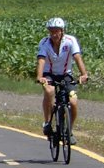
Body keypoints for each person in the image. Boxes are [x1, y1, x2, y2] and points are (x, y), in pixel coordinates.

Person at [36, 17, 89, 145]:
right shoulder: (44, 42)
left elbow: (77, 57)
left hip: (66, 75)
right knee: (49, 91)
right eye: (51, 31)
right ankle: (47, 122)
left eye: (57, 31)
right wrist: (39, 76)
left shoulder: (70, 41)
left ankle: (69, 131)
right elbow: (41, 60)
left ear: (62, 31)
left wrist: (84, 74)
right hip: (49, 74)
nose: (54, 34)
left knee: (73, 101)